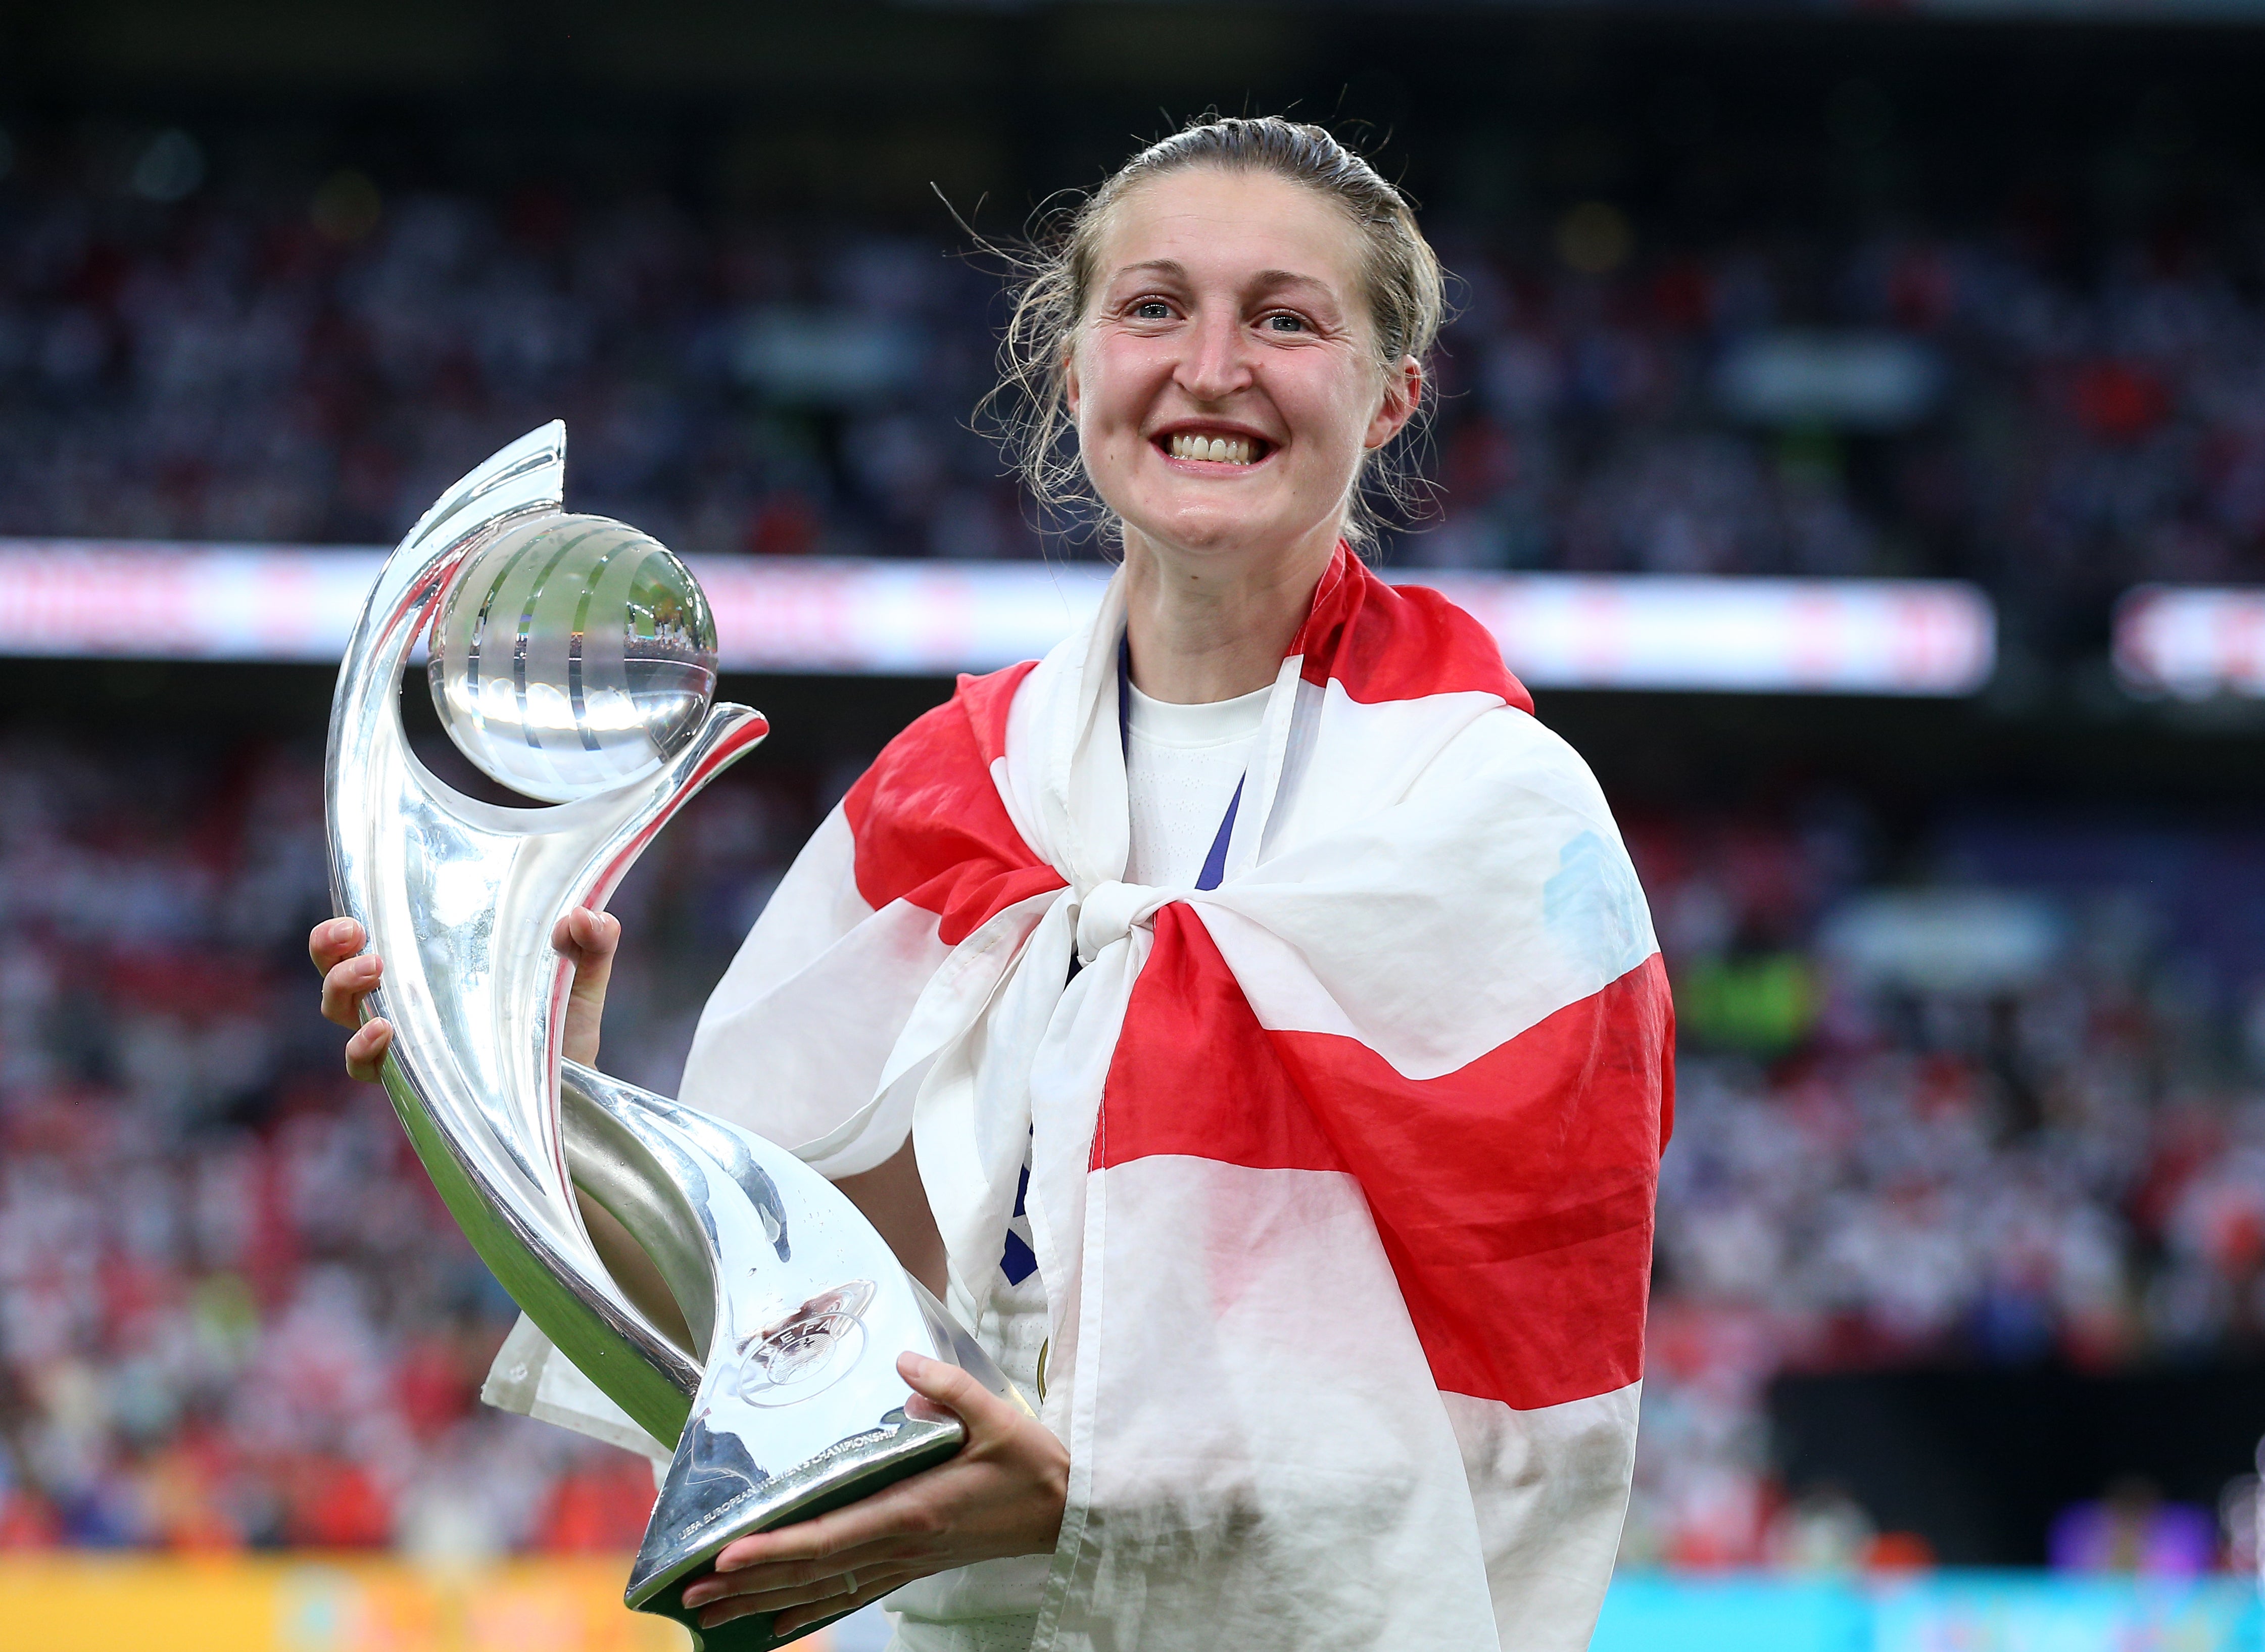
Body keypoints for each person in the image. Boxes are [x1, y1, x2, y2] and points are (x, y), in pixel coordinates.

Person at [313, 116, 1674, 1652]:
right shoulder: (955, 787)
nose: (1210, 366)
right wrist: (546, 1112)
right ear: (1074, 367)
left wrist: (1099, 1500)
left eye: (1285, 319)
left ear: (1390, 394)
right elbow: (797, 1313)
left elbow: (1522, 1410)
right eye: (1152, 308)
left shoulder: (1491, 812)